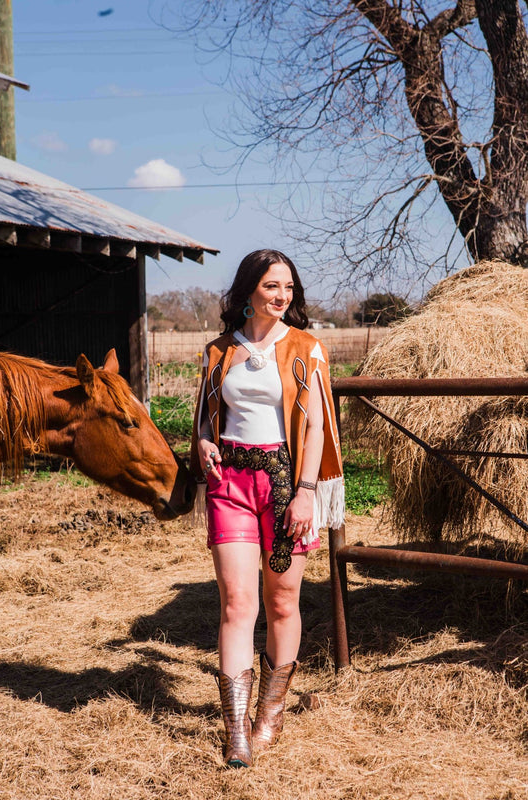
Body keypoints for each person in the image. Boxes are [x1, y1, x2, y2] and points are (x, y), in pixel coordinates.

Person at [191, 249, 344, 768]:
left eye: (288, 288)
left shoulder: (307, 348)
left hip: (285, 485)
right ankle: (235, 730)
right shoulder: (217, 351)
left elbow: (317, 427)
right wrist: (204, 443)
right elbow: (206, 418)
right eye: (271, 286)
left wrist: (306, 491)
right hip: (229, 483)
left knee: (282, 602)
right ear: (248, 291)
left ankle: (270, 714)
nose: (281, 296)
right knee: (237, 605)